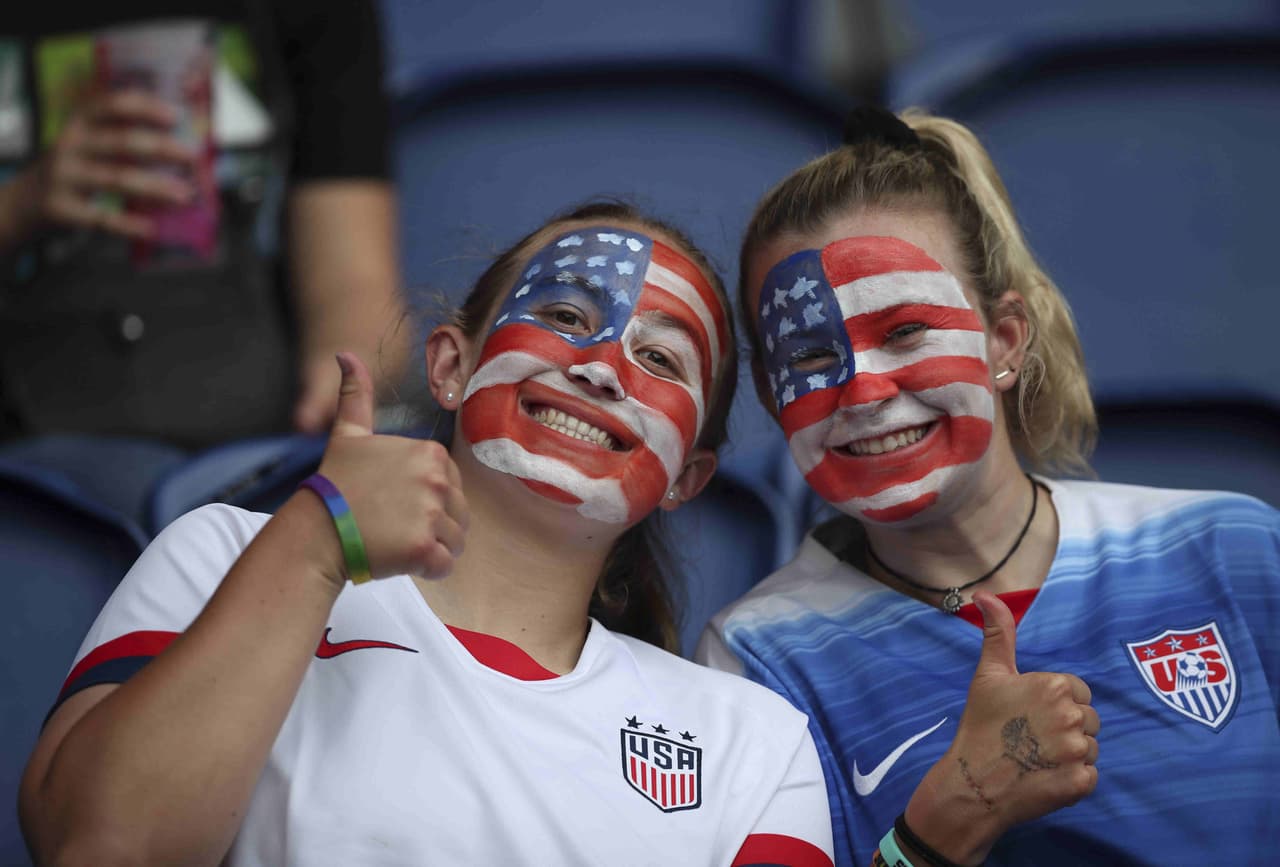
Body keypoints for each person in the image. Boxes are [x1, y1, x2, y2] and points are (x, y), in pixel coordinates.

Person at [18, 201, 836, 865]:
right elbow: (101, 845)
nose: (599, 367)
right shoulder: (224, 554)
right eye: (562, 312)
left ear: (688, 478)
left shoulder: (753, 747)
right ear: (448, 365)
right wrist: (317, 542)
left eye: (660, 360)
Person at [697, 106, 1280, 866]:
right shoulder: (759, 658)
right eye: (807, 358)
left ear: (1003, 341)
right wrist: (947, 819)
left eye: (905, 331)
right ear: (777, 405)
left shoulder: (1232, 551)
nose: (863, 390)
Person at [0, 4, 408, 499]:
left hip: (253, 432)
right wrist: (18, 206)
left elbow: (356, 286)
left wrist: (343, 377)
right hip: (26, 442)